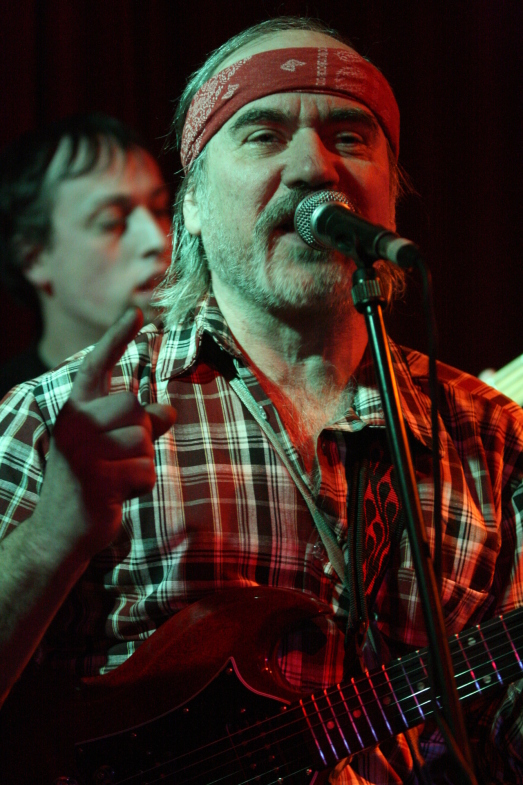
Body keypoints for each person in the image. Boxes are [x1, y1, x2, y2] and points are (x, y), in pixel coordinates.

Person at [1, 17, 523, 785]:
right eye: (264, 135)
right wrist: (51, 535)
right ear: (193, 207)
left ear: (389, 196)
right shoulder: (64, 414)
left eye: (350, 138)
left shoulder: (493, 438)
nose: (313, 166)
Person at [0, 112, 172, 398]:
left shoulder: (213, 377)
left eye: (160, 210)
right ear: (34, 257)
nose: (157, 240)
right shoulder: (10, 411)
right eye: (111, 221)